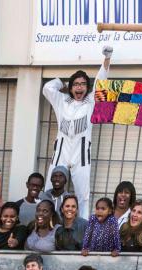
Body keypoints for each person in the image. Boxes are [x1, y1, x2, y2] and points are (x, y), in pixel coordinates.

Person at [42, 47, 111, 218]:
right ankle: (47, 224)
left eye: (83, 84)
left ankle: (82, 231)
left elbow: (101, 81)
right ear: (71, 87)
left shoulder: (90, 102)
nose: (79, 87)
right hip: (61, 154)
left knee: (83, 195)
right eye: (76, 84)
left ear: (87, 87)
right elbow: (47, 88)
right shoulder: (62, 101)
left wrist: (107, 59)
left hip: (81, 155)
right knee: (50, 191)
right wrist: (62, 85)